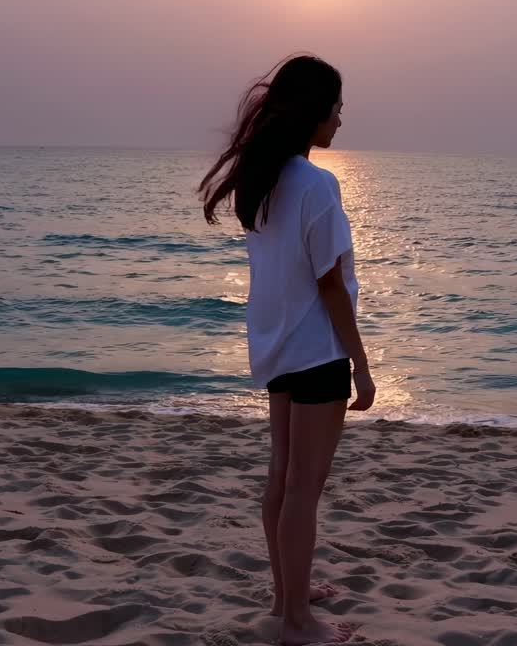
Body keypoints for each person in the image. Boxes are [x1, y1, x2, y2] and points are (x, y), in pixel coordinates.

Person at [200, 54, 375, 645]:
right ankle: (298, 621)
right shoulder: (317, 185)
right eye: (337, 109)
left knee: (282, 478)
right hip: (317, 350)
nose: (340, 121)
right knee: (304, 489)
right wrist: (363, 363)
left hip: (277, 347)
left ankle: (287, 598)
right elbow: (330, 283)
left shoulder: (265, 179)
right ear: (314, 111)